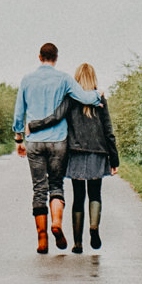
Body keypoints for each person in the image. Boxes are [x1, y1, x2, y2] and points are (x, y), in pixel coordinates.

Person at [13, 43, 103, 254]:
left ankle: (42, 240)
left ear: (39, 57)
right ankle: (56, 223)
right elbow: (85, 98)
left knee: (38, 189)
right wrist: (99, 95)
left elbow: (19, 113)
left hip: (34, 141)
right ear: (56, 58)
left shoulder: (27, 80)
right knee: (56, 185)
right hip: (59, 141)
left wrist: (19, 139)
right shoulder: (63, 79)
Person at [26, 62, 119, 252]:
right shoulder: (99, 99)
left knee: (78, 197)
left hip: (75, 152)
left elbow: (55, 117)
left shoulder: (70, 98)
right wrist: (114, 159)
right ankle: (94, 227)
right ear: (93, 77)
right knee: (95, 193)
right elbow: (108, 130)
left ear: (76, 78)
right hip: (98, 152)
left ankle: (77, 244)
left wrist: (34, 125)